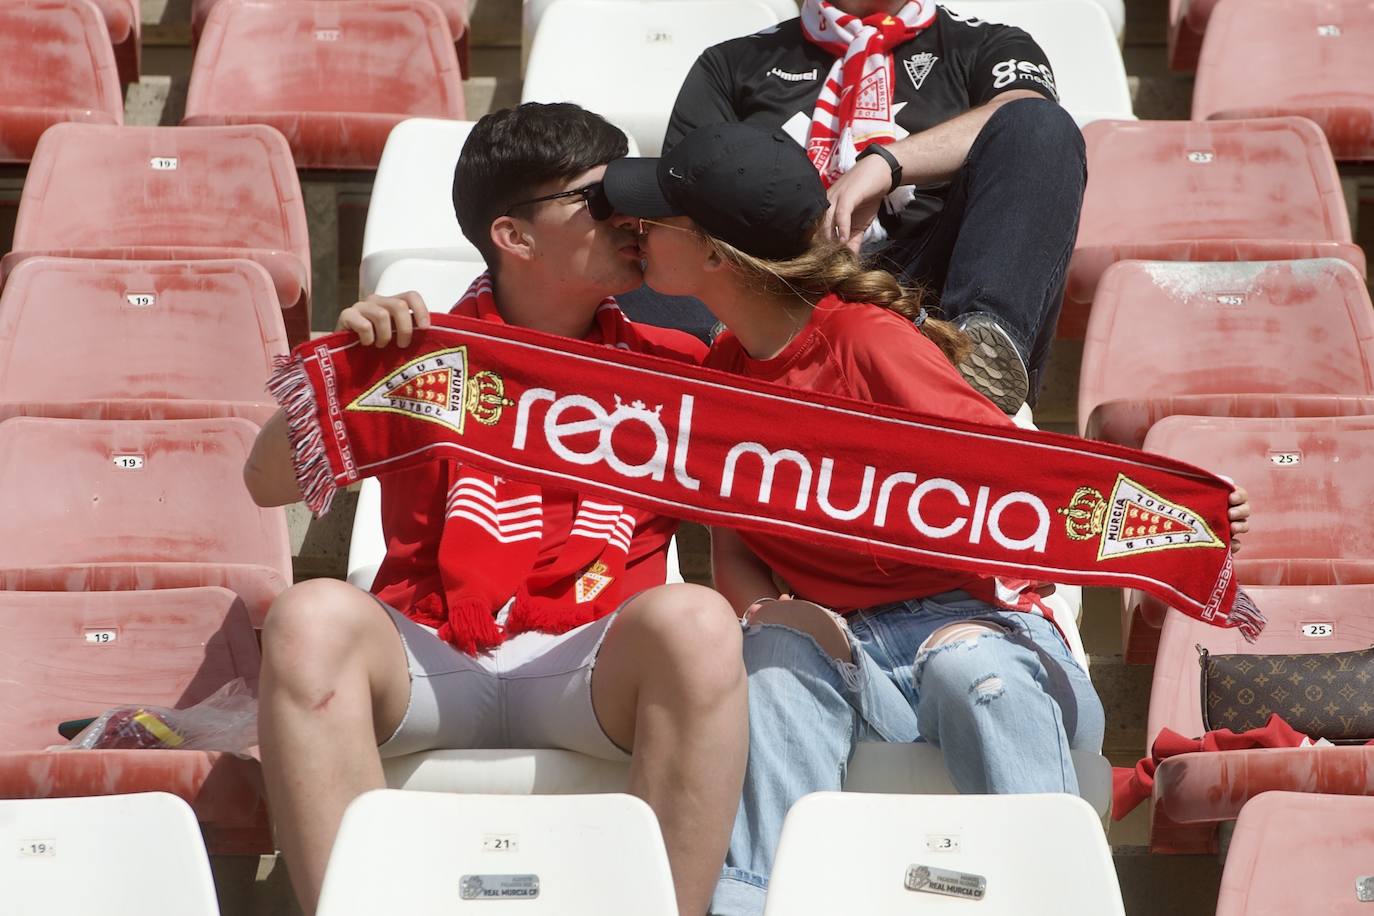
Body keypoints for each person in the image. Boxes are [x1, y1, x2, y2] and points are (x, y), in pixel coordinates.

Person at [601, 122, 1251, 916]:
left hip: (983, 626)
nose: (634, 229)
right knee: (769, 658)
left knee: (967, 667)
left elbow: (1018, 482)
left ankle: (1051, 898)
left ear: (715, 256)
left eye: (656, 218)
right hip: (848, 650)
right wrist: (768, 611)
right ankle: (753, 903)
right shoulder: (726, 378)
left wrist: (1174, 517)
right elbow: (733, 552)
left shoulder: (869, 341)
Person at [242, 103, 748, 916]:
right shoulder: (419, 356)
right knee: (308, 617)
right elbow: (264, 480)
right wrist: (348, 368)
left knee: (700, 622)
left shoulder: (679, 369)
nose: (630, 216)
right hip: (431, 653)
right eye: (598, 198)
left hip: (592, 657)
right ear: (514, 237)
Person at [663, 0, 1088, 414]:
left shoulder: (989, 44)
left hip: (928, 291)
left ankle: (977, 360)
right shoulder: (731, 63)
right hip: (777, 289)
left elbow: (1028, 122)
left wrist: (886, 163)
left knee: (1042, 126)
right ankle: (721, 359)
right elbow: (682, 194)